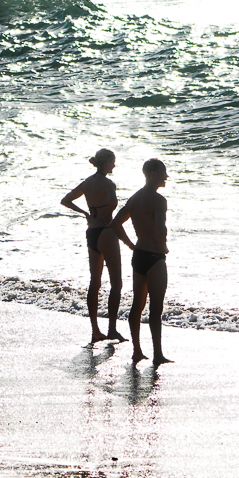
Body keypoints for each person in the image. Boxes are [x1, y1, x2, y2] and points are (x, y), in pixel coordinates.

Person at [61, 148, 127, 344]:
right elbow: (113, 202)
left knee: (95, 283)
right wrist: (108, 214)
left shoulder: (87, 182)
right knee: (116, 284)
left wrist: (86, 213)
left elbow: (66, 200)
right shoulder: (108, 183)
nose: (114, 165)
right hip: (107, 232)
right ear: (106, 163)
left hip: (92, 233)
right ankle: (112, 329)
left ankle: (95, 331)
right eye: (112, 162)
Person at [111, 158, 172, 366]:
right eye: (163, 172)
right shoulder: (159, 200)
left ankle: (137, 351)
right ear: (154, 174)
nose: (166, 176)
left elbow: (115, 224)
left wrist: (131, 245)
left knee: (137, 304)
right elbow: (161, 228)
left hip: (139, 256)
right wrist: (162, 246)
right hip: (154, 257)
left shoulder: (135, 198)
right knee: (156, 308)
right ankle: (157, 354)